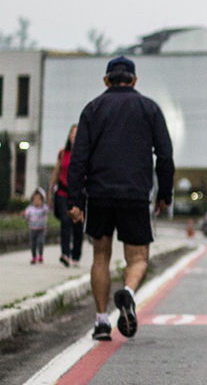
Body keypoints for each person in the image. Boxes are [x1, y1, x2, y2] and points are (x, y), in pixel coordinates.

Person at [67, 56, 174, 341]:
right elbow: (164, 155)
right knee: (138, 258)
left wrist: (74, 200)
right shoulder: (149, 108)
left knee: (100, 256)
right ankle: (126, 294)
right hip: (135, 194)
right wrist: (165, 193)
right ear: (134, 80)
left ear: (106, 80)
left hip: (99, 194)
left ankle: (102, 321)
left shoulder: (92, 108)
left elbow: (78, 158)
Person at [49, 125, 83, 268]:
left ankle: (76, 254)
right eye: (72, 134)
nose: (74, 136)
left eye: (77, 134)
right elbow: (57, 171)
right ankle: (65, 254)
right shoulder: (63, 153)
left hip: (79, 193)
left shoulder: (84, 153)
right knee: (65, 221)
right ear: (69, 136)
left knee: (77, 224)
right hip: (63, 192)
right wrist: (51, 190)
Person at [23, 188, 50, 265]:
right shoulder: (30, 209)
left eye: (39, 199)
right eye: (35, 199)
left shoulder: (43, 208)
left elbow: (48, 210)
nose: (37, 201)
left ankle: (40, 255)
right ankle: (34, 256)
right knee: (33, 244)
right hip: (32, 229)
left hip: (41, 229)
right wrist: (24, 216)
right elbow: (26, 215)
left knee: (40, 242)